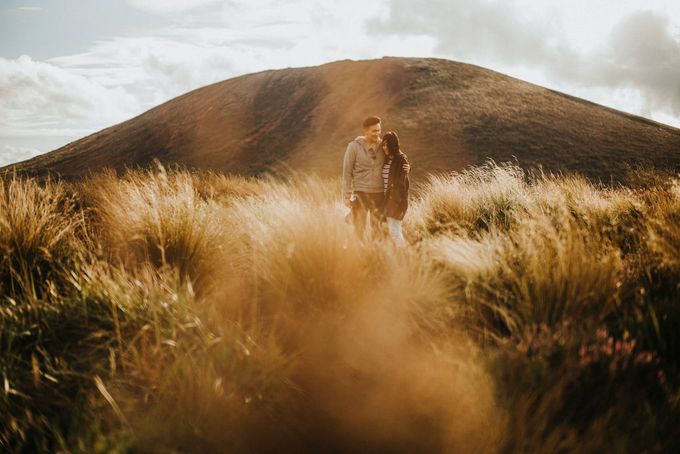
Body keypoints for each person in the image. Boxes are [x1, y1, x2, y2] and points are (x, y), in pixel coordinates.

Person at [342, 116, 409, 239]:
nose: (377, 134)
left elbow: (397, 155)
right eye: (374, 131)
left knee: (377, 228)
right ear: (365, 131)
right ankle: (359, 252)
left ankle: (375, 253)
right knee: (359, 228)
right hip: (360, 193)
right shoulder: (353, 147)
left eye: (379, 130)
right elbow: (347, 172)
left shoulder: (383, 146)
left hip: (379, 195)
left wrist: (407, 167)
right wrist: (346, 196)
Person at [380, 131, 409, 247]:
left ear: (393, 145)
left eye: (387, 145)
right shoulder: (386, 159)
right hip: (387, 201)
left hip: (397, 201)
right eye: (383, 144)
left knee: (395, 231)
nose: (384, 147)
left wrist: (393, 204)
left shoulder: (401, 159)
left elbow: (401, 185)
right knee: (388, 231)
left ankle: (405, 255)